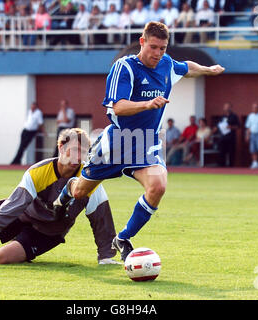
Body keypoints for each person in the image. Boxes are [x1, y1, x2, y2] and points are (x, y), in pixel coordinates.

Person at [52, 21, 225, 261]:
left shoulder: (166, 64)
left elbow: (187, 68)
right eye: (153, 47)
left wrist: (208, 69)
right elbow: (118, 106)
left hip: (146, 142)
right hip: (116, 142)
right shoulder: (124, 68)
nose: (158, 53)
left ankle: (122, 238)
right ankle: (67, 191)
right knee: (82, 191)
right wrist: (147, 103)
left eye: (163, 48)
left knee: (158, 187)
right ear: (142, 42)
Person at [0, 128, 119, 265]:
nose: (78, 157)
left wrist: (106, 256)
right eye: (74, 150)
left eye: (83, 152)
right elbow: (18, 201)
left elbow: (101, 217)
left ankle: (20, 241)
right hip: (23, 213)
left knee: (0, 258)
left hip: (47, 231)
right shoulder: (38, 171)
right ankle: (13, 232)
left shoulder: (89, 180)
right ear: (61, 147)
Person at [213, 102, 240, 167]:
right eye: (225, 107)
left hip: (231, 138)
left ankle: (231, 166)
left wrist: (231, 127)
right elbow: (217, 126)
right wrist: (211, 132)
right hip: (222, 138)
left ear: (231, 108)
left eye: (228, 107)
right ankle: (222, 166)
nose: (227, 108)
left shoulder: (234, 116)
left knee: (231, 153)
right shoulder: (222, 117)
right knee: (222, 152)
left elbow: (238, 126)